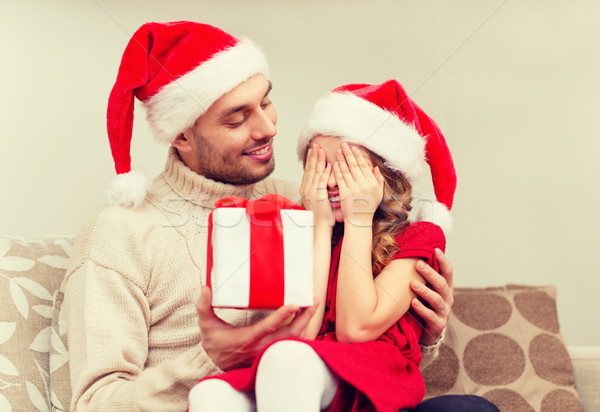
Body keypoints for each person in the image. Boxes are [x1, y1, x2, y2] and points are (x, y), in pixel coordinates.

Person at [64, 21, 461, 411]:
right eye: (237, 118)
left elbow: (358, 352)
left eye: (267, 102)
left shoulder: (310, 200)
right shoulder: (119, 233)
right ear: (181, 135)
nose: (269, 127)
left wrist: (423, 328)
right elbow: (95, 404)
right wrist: (213, 359)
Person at [188, 80, 462, 412]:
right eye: (319, 167)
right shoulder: (306, 227)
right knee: (208, 395)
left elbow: (355, 329)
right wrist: (319, 225)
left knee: (286, 357)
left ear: (387, 176)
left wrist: (359, 218)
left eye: (347, 168)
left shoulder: (418, 236)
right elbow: (304, 333)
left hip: (368, 379)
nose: (330, 182)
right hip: (303, 372)